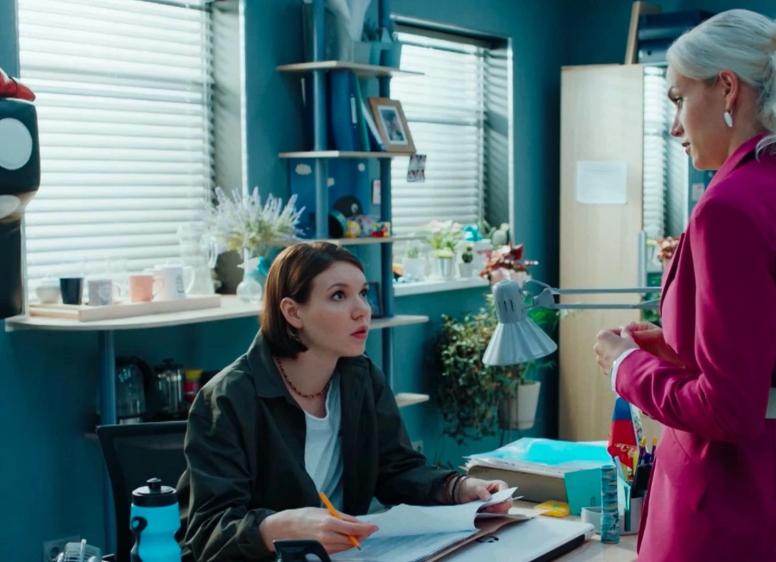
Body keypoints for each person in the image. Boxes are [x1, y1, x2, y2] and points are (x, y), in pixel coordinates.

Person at [178, 242, 511, 561]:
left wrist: (457, 488)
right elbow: (208, 534)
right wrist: (279, 527)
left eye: (362, 293)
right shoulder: (228, 397)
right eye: (338, 295)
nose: (362, 309)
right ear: (293, 312)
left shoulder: (360, 377)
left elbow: (396, 469)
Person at [593, 9, 776, 562]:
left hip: (728, 507)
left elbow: (728, 409)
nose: (674, 126)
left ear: (727, 88)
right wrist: (679, 352)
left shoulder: (728, 209)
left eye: (678, 98)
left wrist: (627, 367)